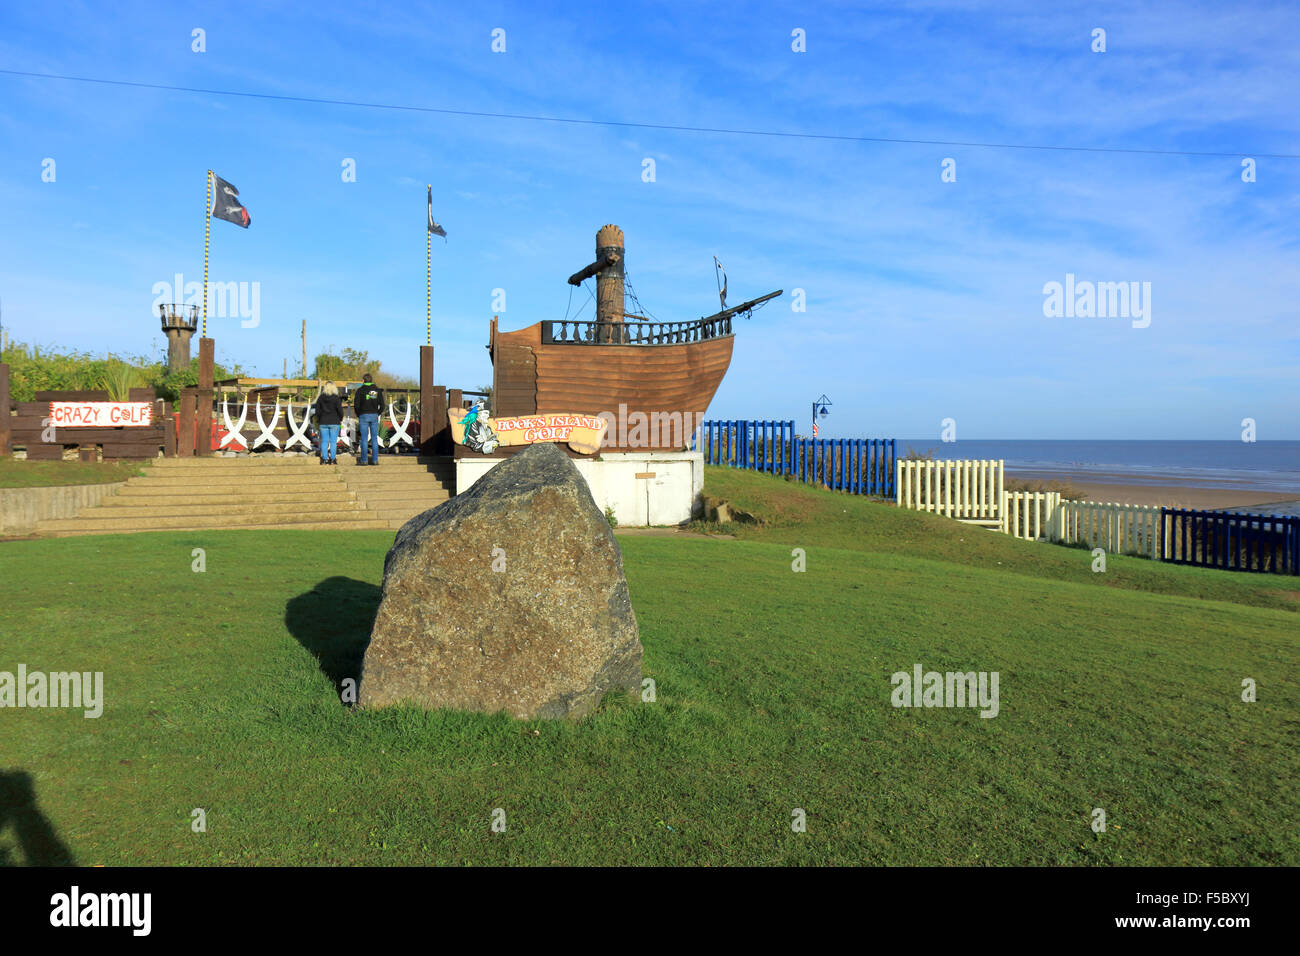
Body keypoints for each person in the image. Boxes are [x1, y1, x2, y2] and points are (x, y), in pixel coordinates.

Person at [353, 373, 385, 466]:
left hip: (363, 415)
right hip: (374, 415)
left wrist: (359, 414)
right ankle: (375, 460)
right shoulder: (375, 390)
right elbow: (382, 405)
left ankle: (364, 460)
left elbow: (356, 405)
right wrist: (377, 413)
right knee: (374, 438)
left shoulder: (360, 391)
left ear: (363, 381)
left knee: (364, 439)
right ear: (371, 380)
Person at [313, 382, 344, 465]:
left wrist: (319, 420)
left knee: (324, 441)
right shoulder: (336, 398)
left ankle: (325, 459)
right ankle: (333, 459)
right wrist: (340, 419)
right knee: (333, 442)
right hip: (334, 421)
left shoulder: (321, 398)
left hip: (323, 422)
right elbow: (340, 411)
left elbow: (317, 411)